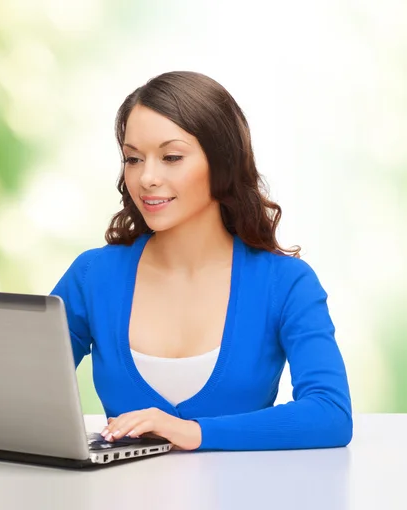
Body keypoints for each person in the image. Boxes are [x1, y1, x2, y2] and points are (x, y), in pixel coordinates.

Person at [50, 71, 352, 451]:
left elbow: (330, 414)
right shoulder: (92, 276)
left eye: (171, 157)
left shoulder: (286, 283)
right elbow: (21, 390)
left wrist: (192, 433)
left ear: (222, 162)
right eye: (133, 159)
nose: (146, 178)